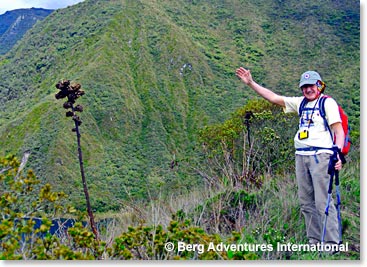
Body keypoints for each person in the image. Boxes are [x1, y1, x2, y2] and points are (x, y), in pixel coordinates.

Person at [235, 67, 345, 246]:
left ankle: (332, 243)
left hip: (321, 156)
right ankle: (314, 241)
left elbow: (338, 131)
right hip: (301, 156)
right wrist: (251, 83)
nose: (308, 90)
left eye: (311, 86)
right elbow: (273, 98)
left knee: (322, 201)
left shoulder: (327, 103)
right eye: (304, 87)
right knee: (306, 201)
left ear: (319, 85)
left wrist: (337, 154)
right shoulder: (300, 103)